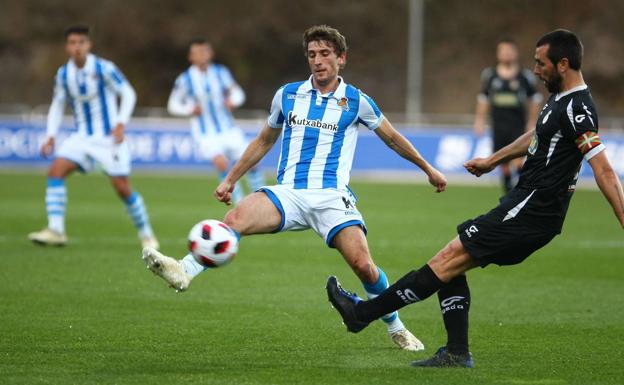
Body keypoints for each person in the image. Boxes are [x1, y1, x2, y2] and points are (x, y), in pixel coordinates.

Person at [327, 29, 624, 368]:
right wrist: (492, 160)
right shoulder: (559, 99)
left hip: (532, 213)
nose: (536, 69)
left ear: (563, 64)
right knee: (452, 265)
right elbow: (537, 132)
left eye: (541, 63)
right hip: (522, 205)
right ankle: (456, 352)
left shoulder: (579, 108)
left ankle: (361, 314)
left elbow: (604, 170)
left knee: (447, 258)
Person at [142, 25, 448, 351]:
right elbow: (264, 140)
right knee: (233, 221)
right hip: (287, 193)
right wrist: (231, 179)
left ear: (341, 58)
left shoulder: (357, 101)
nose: (318, 61)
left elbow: (392, 138)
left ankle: (396, 327)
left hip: (331, 197)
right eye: (312, 55)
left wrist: (428, 168)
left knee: (363, 266)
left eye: (325, 54)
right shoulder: (287, 95)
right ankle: (184, 270)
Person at [28, 25, 159, 249]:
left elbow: (128, 93)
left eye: (81, 42)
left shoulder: (103, 68)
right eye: (72, 43)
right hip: (82, 138)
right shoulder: (63, 74)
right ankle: (56, 230)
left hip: (108, 139)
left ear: (89, 45)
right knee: (56, 171)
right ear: (67, 46)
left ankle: (147, 234)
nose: (77, 47)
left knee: (122, 187)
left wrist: (120, 123)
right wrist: (50, 135)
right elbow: (57, 105)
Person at [167, 38, 265, 204]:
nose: (202, 55)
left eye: (205, 51)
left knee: (251, 163)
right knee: (221, 163)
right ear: (191, 57)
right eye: (198, 52)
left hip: (228, 128)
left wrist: (233, 101)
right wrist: (189, 110)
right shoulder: (185, 79)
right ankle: (240, 203)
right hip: (206, 133)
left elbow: (238, 93)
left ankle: (262, 198)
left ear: (211, 53)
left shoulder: (221, 73)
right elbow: (173, 105)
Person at [474, 38, 542, 193]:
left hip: (518, 126)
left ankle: (521, 191)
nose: (506, 54)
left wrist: (533, 121)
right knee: (503, 163)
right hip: (498, 126)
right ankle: (509, 194)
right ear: (498, 54)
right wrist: (479, 120)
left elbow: (535, 100)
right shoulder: (490, 76)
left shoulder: (524, 76)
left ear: (515, 53)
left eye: (509, 51)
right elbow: (483, 99)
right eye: (503, 51)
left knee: (518, 161)